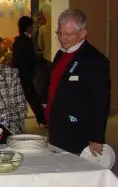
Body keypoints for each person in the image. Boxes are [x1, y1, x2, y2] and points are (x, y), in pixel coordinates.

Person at [46, 9, 110, 155]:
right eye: (59, 33)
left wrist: (96, 137)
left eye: (68, 34)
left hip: (77, 130)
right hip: (57, 126)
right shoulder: (61, 54)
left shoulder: (94, 60)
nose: (62, 38)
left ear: (83, 33)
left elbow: (100, 101)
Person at [12, 16, 47, 126]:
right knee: (32, 97)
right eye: (32, 26)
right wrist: (44, 62)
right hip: (24, 74)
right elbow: (30, 57)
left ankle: (42, 118)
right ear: (27, 27)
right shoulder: (25, 41)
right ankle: (42, 118)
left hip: (21, 73)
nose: (33, 28)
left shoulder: (20, 40)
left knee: (30, 97)